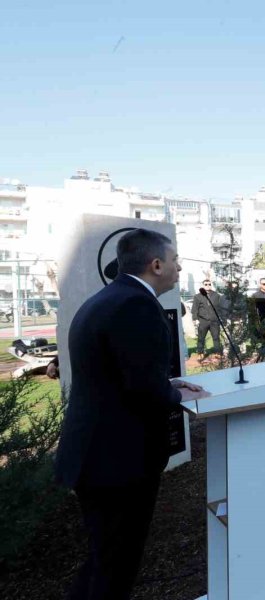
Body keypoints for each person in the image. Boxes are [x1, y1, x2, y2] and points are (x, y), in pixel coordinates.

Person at [56, 229, 209, 600]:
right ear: (156, 265)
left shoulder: (107, 299)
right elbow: (141, 388)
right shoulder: (135, 305)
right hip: (117, 461)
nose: (178, 269)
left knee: (104, 559)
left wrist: (169, 382)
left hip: (97, 455)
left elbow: (121, 373)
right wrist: (173, 395)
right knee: (115, 566)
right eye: (175, 262)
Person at [191, 279, 222, 359]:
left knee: (216, 337)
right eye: (206, 284)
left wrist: (221, 318)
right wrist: (195, 319)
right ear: (203, 285)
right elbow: (194, 309)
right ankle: (200, 353)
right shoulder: (197, 296)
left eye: (209, 284)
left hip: (214, 321)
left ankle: (217, 352)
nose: (208, 286)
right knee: (201, 338)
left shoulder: (216, 295)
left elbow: (220, 308)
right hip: (203, 321)